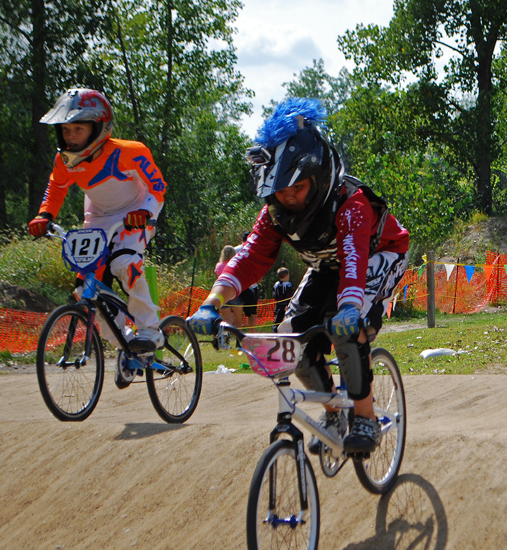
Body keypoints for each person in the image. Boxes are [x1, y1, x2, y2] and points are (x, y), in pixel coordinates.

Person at [188, 98, 410, 454]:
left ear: (318, 178)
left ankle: (366, 418)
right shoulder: (273, 213)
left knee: (349, 331)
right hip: (327, 265)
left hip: (377, 255)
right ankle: (334, 412)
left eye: (298, 189)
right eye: (281, 191)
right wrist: (210, 304)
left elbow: (354, 261)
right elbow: (250, 258)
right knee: (292, 340)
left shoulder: (351, 204)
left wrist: (351, 310)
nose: (289, 199)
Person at [28, 88, 166, 363]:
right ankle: (126, 346)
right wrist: (45, 214)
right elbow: (56, 188)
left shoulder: (130, 152)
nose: (70, 135)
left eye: (78, 128)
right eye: (66, 129)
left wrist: (144, 213)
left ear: (99, 127)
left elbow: (159, 187)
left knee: (124, 262)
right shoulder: (64, 160)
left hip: (135, 212)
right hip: (98, 217)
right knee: (85, 289)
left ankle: (151, 329)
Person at [233, 232, 261, 328]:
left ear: (242, 240)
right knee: (252, 314)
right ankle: (251, 338)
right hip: (251, 286)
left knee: (236, 314)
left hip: (237, 286)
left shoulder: (234, 250)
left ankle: (235, 336)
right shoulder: (255, 250)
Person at [213, 245, 242, 326]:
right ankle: (238, 337)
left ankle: (225, 336)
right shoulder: (236, 265)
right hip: (234, 292)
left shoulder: (218, 265)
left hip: (222, 293)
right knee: (238, 320)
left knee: (226, 319)